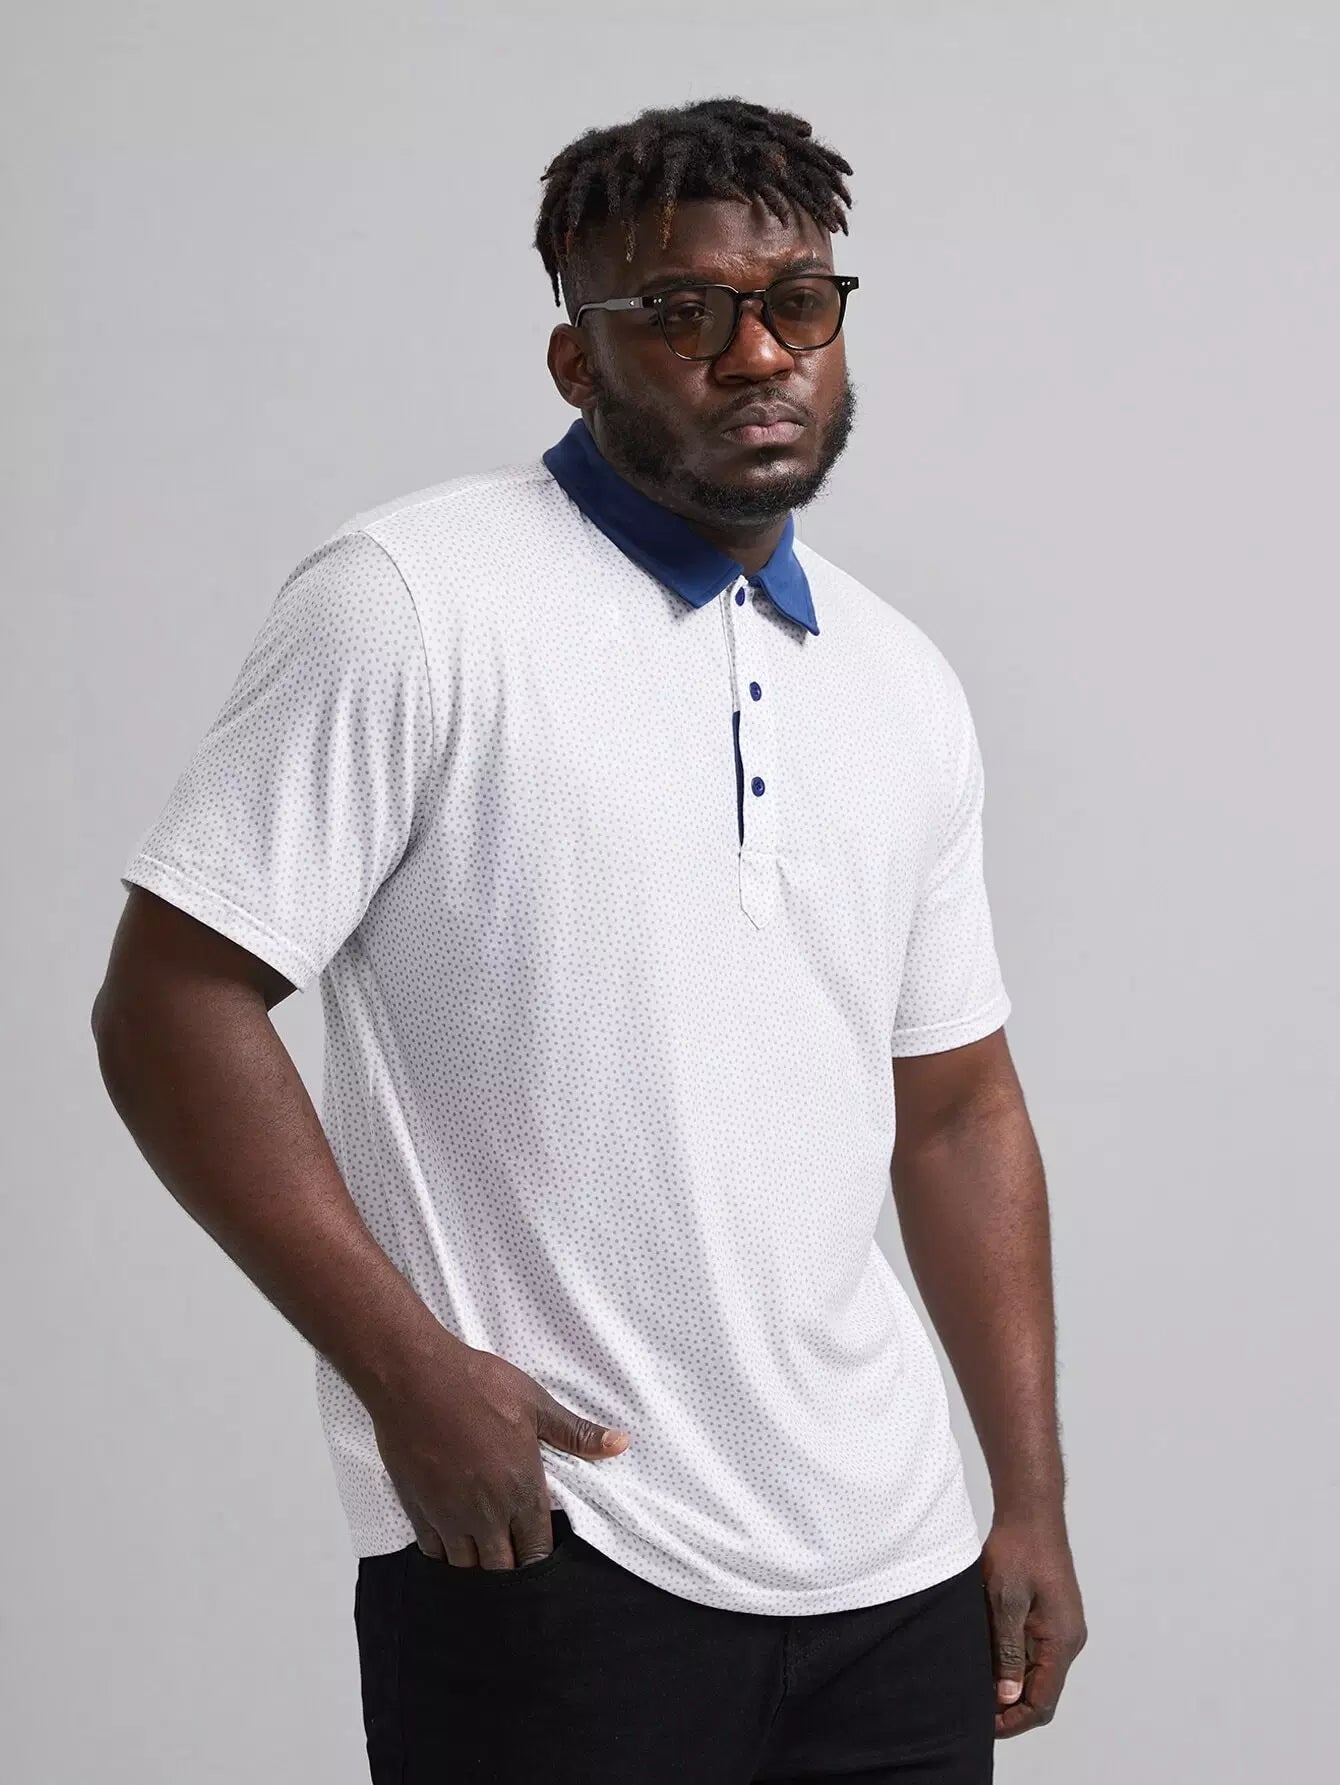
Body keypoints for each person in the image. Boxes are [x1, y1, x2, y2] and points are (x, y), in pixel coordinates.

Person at [92, 94, 1086, 1783]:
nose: (757, 353)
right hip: (558, 1544)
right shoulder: (411, 602)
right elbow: (171, 1003)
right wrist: (409, 1373)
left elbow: (959, 1110)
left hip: (898, 1566)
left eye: (798, 301)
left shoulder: (903, 682)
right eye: (683, 313)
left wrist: (1030, 1496)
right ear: (578, 361)